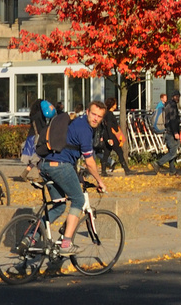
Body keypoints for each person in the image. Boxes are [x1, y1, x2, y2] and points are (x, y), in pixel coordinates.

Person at [38, 100, 109, 257]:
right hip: (61, 166)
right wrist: (99, 180)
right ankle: (66, 243)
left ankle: (31, 238)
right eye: (93, 114)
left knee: (59, 206)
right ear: (87, 112)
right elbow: (89, 162)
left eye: (99, 116)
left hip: (46, 165)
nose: (96, 118)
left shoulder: (76, 122)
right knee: (78, 200)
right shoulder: (85, 130)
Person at [93, 105, 130, 174]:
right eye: (115, 104)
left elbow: (101, 126)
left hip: (106, 136)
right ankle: (126, 169)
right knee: (119, 151)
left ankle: (103, 171)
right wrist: (110, 138)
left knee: (107, 152)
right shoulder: (109, 114)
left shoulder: (104, 115)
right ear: (112, 104)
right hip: (111, 136)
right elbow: (109, 126)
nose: (116, 105)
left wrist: (102, 136)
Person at [159, 93, 181, 169]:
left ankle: (172, 170)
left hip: (168, 130)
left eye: (179, 96)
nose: (178, 98)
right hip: (171, 132)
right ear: (173, 97)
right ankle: (158, 163)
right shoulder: (172, 106)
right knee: (173, 152)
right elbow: (173, 120)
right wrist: (176, 132)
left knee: (172, 150)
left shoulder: (168, 104)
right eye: (176, 96)